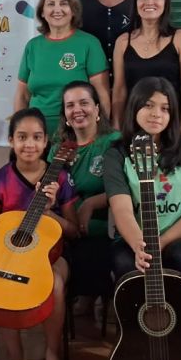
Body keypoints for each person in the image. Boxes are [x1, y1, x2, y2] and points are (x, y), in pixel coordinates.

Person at [104, 77, 181, 336]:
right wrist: (141, 246)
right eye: (149, 105)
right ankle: (133, 340)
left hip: (177, 235)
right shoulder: (116, 153)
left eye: (165, 108)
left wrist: (161, 241)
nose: (156, 114)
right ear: (134, 107)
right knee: (125, 264)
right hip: (134, 239)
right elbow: (121, 209)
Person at [0, 108, 79, 360]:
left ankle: (52, 355)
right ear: (11, 140)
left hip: (52, 256)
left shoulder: (58, 178)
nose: (29, 144)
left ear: (46, 142)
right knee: (0, 285)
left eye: (36, 137)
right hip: (11, 256)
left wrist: (49, 212)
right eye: (22, 137)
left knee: (55, 285)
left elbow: (74, 231)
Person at [51, 81, 120, 317]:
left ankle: (96, 295)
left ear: (98, 109)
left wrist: (92, 203)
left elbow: (128, 188)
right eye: (70, 105)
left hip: (104, 228)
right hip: (64, 228)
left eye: (84, 103)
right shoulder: (58, 150)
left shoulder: (114, 142)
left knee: (92, 251)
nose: (77, 110)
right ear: (65, 116)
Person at [15, 0, 110, 135]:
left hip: (78, 132)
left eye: (63, 3)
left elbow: (102, 94)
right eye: (51, 4)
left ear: (73, 10)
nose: (57, 9)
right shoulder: (32, 47)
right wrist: (20, 131)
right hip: (37, 134)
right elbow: (22, 95)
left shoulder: (89, 44)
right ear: (42, 12)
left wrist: (99, 133)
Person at [111, 0, 181, 135]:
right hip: (134, 127)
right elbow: (119, 91)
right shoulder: (123, 42)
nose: (149, 2)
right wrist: (117, 128)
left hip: (170, 126)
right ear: (135, 3)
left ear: (165, 2)